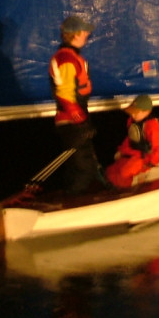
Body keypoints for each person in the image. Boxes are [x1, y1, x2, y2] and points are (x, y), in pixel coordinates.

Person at [49, 15, 103, 193]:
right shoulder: (66, 58)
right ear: (75, 34)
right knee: (84, 169)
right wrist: (80, 121)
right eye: (84, 31)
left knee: (79, 166)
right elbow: (64, 95)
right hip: (71, 122)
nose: (87, 34)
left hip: (76, 119)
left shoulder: (72, 56)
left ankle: (72, 199)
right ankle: (74, 204)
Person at [105, 94, 159, 189]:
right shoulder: (132, 121)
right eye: (132, 112)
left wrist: (150, 163)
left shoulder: (153, 126)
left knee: (125, 173)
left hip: (145, 159)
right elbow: (131, 139)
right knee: (111, 171)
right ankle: (114, 190)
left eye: (136, 112)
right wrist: (121, 151)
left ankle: (127, 192)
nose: (133, 115)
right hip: (133, 155)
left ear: (147, 112)